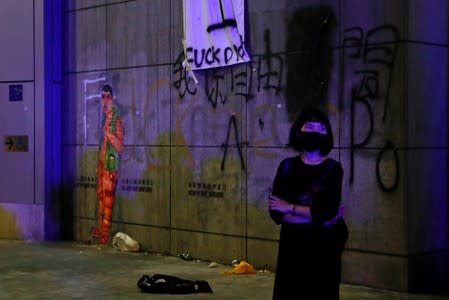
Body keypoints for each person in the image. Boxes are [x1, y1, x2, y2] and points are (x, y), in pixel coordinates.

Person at [269, 107, 348, 300]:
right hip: (292, 250)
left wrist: (289, 207)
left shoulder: (333, 169)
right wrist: (319, 219)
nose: (314, 132)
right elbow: (276, 214)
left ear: (327, 134)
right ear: (298, 131)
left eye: (320, 128)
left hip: (322, 252)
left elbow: (327, 211)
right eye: (309, 126)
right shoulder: (286, 166)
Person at [91, 84, 124, 245]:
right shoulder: (106, 118)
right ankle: (100, 228)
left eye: (108, 97)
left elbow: (119, 146)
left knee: (108, 200)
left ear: (113, 99)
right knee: (101, 197)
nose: (105, 101)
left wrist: (109, 135)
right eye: (102, 97)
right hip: (103, 164)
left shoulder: (115, 120)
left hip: (111, 167)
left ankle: (105, 232)